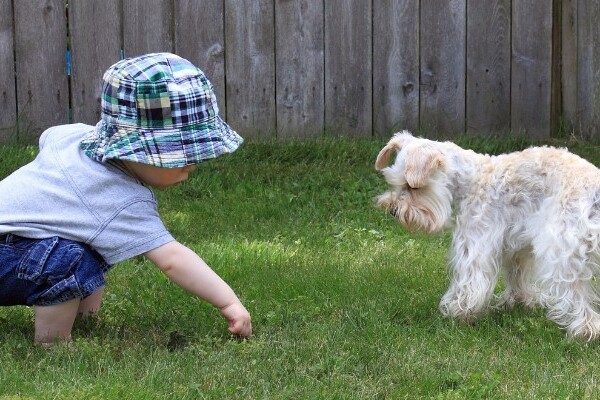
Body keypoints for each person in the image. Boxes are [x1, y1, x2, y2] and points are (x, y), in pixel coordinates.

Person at [0, 53, 252, 347]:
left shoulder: (75, 137)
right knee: (67, 257)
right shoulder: (120, 199)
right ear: (137, 151)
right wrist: (229, 303)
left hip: (11, 244)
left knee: (87, 242)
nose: (191, 164)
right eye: (180, 155)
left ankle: (84, 320)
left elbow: (50, 136)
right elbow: (173, 260)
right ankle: (52, 345)